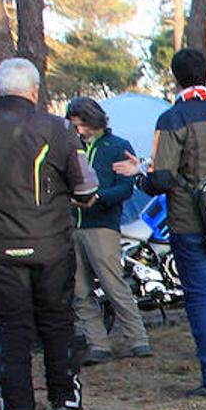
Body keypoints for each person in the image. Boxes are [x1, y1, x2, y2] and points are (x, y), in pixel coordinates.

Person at [0, 58, 98, 410]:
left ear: (0, 89)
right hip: (49, 242)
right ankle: (65, 398)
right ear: (34, 90)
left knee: (11, 327)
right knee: (57, 319)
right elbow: (84, 189)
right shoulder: (57, 128)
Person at [113, 49, 206, 398]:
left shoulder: (172, 118)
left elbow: (161, 178)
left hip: (188, 221)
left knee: (200, 300)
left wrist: (139, 178)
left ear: (175, 78)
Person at [65, 96, 152, 364]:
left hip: (102, 226)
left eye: (79, 125)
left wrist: (98, 198)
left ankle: (138, 339)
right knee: (79, 290)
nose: (76, 131)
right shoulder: (71, 147)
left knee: (113, 284)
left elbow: (125, 188)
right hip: (72, 226)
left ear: (92, 121)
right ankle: (97, 344)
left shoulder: (117, 147)